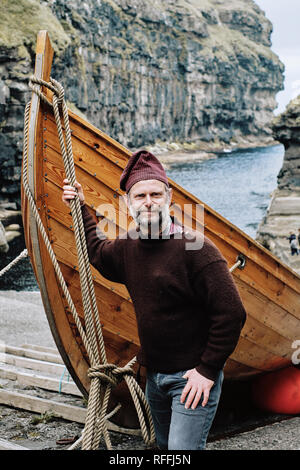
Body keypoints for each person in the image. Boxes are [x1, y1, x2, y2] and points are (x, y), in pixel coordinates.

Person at [62, 149, 246, 450]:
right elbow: (96, 251)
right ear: (127, 203)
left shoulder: (197, 249)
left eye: (155, 194)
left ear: (168, 196)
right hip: (154, 379)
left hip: (192, 379)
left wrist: (207, 370)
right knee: (162, 448)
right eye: (140, 196)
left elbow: (231, 313)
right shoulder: (128, 247)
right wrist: (82, 207)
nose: (148, 202)